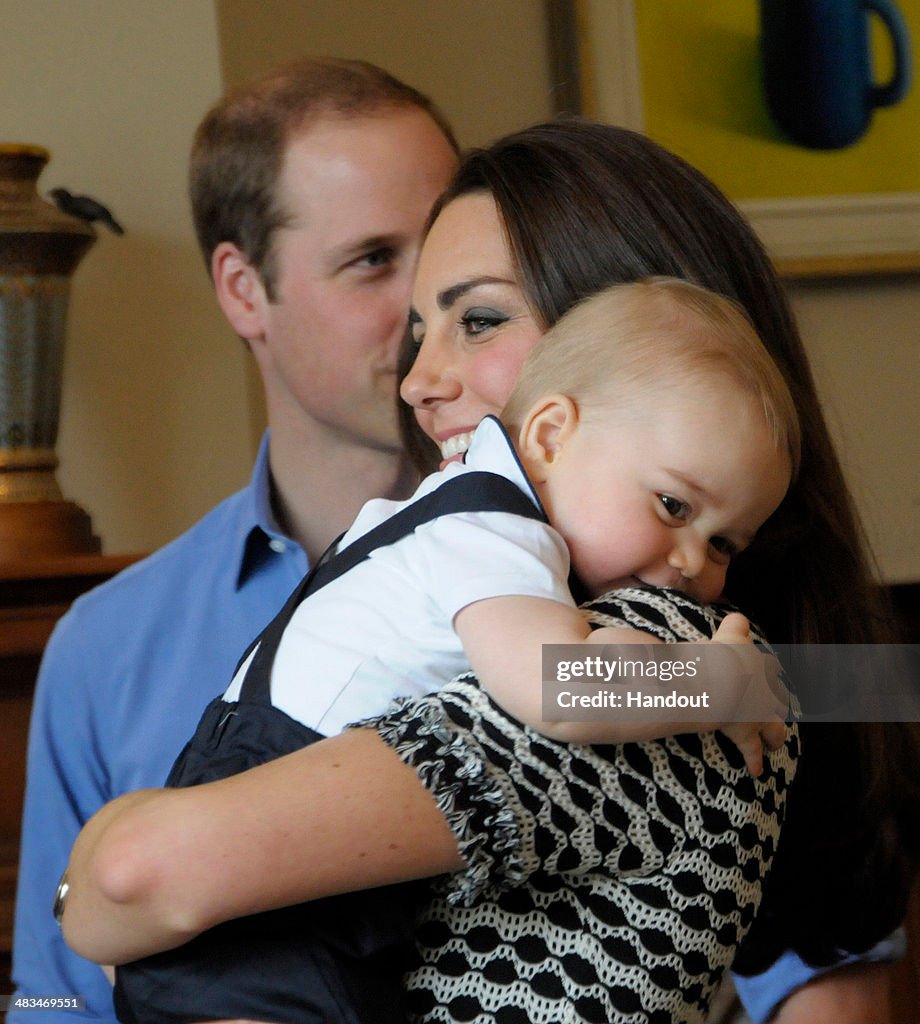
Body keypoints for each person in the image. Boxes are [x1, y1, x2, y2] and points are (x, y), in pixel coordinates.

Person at [58, 121, 920, 1023]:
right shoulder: (495, 546)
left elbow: (136, 875)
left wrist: (97, 879)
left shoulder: (659, 644)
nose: (416, 379)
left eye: (477, 318)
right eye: (421, 325)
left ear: (636, 331)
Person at [111, 277, 798, 1023]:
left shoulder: (462, 517)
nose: (693, 562)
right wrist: (710, 684)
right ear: (550, 436)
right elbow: (557, 687)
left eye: (724, 542)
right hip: (277, 818)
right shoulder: (491, 529)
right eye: (673, 505)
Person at [10, 56, 460, 1024]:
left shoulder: (595, 549)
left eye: (449, 245)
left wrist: (741, 682)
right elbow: (56, 1002)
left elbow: (812, 945)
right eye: (374, 259)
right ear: (244, 290)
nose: (432, 306)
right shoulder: (106, 647)